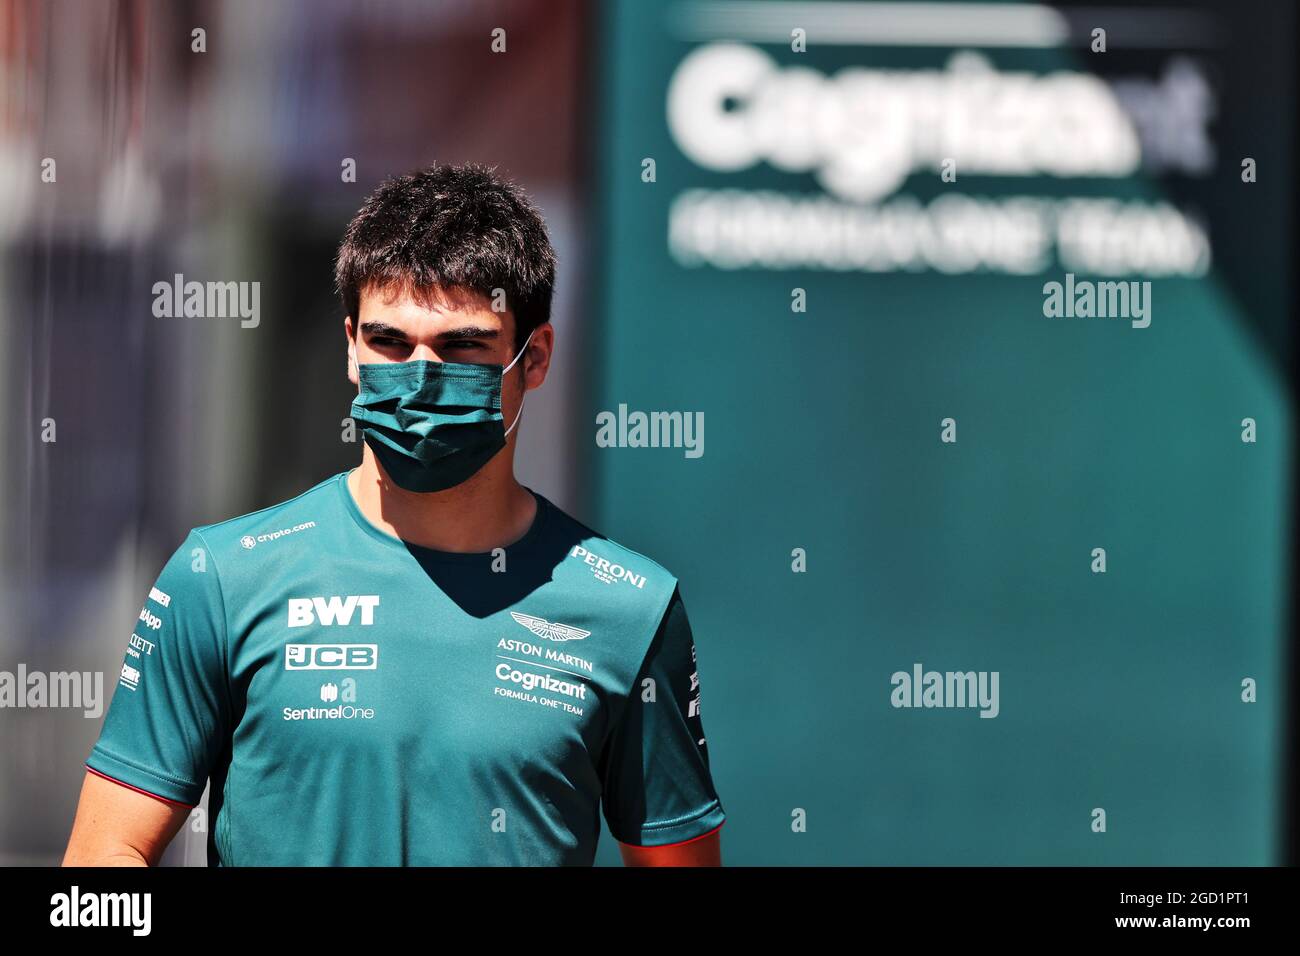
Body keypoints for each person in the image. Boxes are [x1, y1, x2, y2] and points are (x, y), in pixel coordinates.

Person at [63, 163, 724, 866]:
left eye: (462, 346)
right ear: (350, 346)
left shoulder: (629, 611)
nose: (419, 375)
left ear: (535, 358)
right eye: (389, 343)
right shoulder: (223, 578)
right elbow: (106, 859)